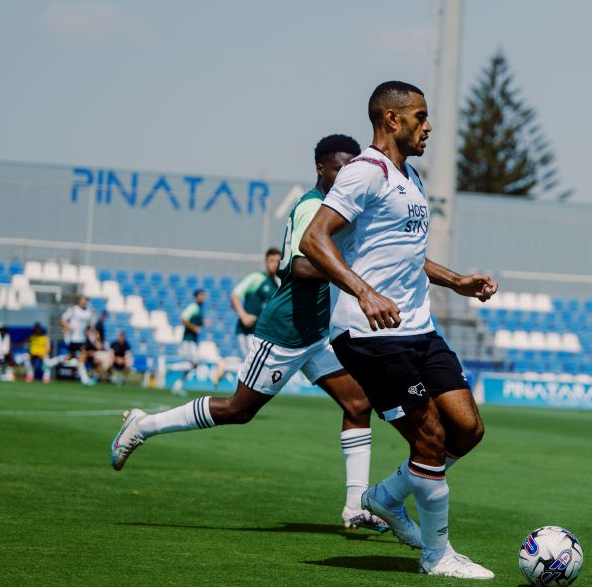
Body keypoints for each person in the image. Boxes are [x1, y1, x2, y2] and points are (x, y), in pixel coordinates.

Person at [110, 133, 390, 533]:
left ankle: (354, 507)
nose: (347, 174)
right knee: (239, 410)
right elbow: (297, 268)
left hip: (314, 333)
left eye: (352, 167)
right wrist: (354, 278)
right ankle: (143, 426)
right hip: (285, 330)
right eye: (340, 167)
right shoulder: (312, 207)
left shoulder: (337, 209)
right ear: (321, 169)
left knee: (358, 404)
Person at [300, 82, 500, 579]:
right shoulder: (363, 173)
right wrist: (363, 292)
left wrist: (456, 280)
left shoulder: (408, 176)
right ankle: (438, 556)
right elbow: (314, 239)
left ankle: (385, 498)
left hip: (418, 327)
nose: (428, 125)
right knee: (429, 439)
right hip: (369, 335)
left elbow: (405, 252)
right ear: (392, 119)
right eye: (421, 116)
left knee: (467, 429)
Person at [231, 248, 281, 357]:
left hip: (264, 334)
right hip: (248, 333)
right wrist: (243, 316)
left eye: (278, 261)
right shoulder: (257, 278)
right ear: (266, 262)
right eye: (271, 261)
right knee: (251, 365)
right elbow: (235, 295)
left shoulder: (277, 284)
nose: (275, 264)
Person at [174, 289, 209, 394]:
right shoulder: (193, 307)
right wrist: (193, 327)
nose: (203, 297)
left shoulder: (200, 309)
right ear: (196, 296)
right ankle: (172, 369)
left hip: (193, 340)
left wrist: (203, 323)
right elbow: (183, 318)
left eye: (204, 295)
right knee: (194, 363)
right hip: (188, 340)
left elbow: (198, 323)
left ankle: (178, 385)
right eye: (201, 295)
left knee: (193, 364)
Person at [60, 295, 96, 386]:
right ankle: (85, 379)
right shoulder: (73, 309)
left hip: (82, 338)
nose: (84, 302)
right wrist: (67, 326)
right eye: (83, 300)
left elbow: (90, 325)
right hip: (73, 338)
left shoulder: (89, 311)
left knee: (70, 357)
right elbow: (63, 319)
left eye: (86, 300)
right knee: (82, 356)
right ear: (79, 301)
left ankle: (50, 362)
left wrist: (90, 331)